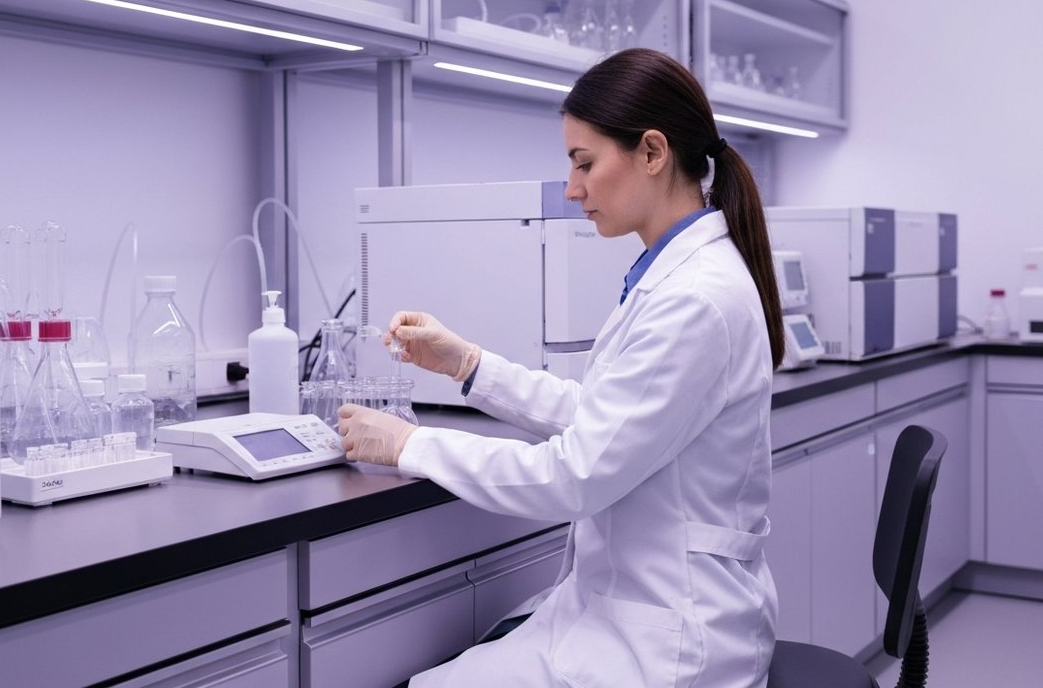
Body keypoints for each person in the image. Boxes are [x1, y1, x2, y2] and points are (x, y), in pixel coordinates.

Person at [337, 47, 786, 688]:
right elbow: (604, 418)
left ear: (653, 153)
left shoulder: (694, 298)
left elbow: (577, 475)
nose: (573, 189)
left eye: (584, 163)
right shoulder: (676, 276)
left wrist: (412, 444)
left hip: (672, 639)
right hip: (631, 607)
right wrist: (468, 365)